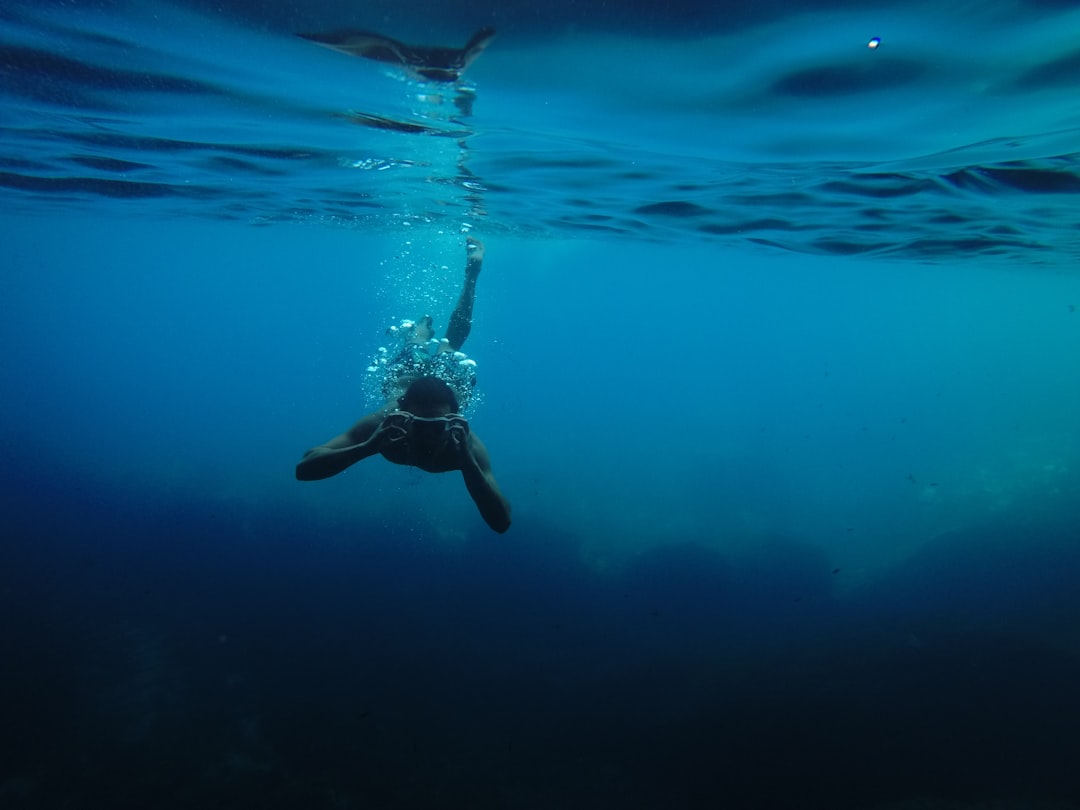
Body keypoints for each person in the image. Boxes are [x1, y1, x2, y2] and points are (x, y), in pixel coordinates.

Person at [296, 238, 511, 533]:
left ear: (454, 419)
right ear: (402, 412)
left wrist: (466, 461)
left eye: (436, 426)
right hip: (405, 383)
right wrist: (366, 447)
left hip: (441, 381)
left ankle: (467, 280)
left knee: (447, 348)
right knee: (429, 347)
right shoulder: (385, 425)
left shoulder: (464, 444)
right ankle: (420, 333)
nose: (427, 435)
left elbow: (502, 522)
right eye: (419, 423)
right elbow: (304, 470)